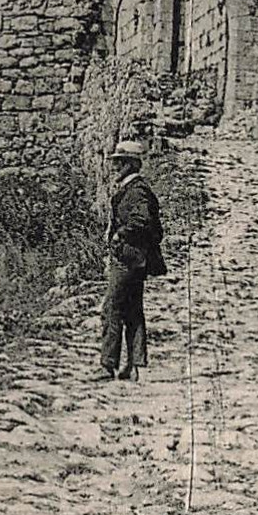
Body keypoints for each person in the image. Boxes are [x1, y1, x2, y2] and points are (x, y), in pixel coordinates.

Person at [95, 139, 164, 382]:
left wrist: (120, 235)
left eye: (120, 163)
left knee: (111, 308)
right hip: (134, 258)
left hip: (128, 258)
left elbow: (144, 221)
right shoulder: (131, 189)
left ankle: (107, 365)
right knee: (132, 310)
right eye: (115, 162)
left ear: (131, 165)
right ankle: (134, 366)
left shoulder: (137, 191)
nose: (115, 167)